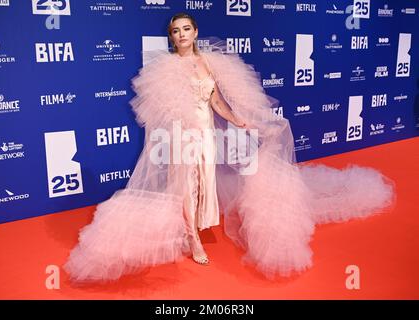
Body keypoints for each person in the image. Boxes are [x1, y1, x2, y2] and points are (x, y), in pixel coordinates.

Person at [63, 13, 396, 283]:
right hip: (183, 135)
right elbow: (163, 111)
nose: (181, 35)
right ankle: (191, 238)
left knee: (202, 183)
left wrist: (238, 121)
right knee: (188, 186)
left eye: (186, 29)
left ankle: (191, 228)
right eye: (175, 31)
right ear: (172, 37)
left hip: (205, 132)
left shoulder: (207, 62)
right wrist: (182, 133)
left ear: (195, 32)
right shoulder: (165, 68)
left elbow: (215, 100)